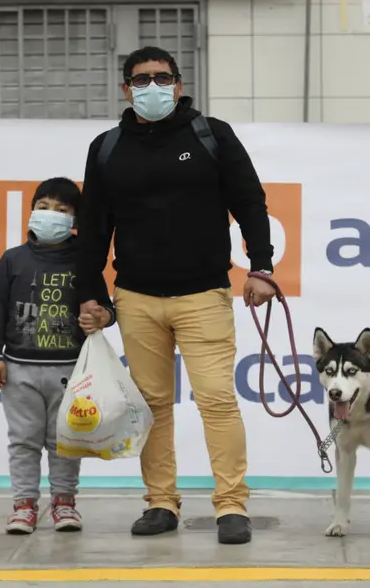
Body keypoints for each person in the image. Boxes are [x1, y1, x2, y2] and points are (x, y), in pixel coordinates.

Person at [75, 46, 277, 545]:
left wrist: (262, 266)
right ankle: (161, 502)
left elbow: (250, 201)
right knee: (151, 405)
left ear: (179, 85)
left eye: (160, 78)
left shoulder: (212, 136)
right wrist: (93, 294)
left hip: (204, 294)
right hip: (136, 298)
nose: (151, 87)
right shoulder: (106, 147)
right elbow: (94, 228)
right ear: (126, 89)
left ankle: (232, 506)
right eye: (140, 80)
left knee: (216, 401)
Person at [0, 178, 115, 535]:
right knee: (24, 439)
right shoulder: (13, 260)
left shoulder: (85, 262)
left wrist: (102, 316)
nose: (50, 215)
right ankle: (24, 505)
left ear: (75, 220)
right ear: (31, 212)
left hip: (70, 370)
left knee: (64, 442)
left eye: (61, 210)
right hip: (19, 369)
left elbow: (106, 307)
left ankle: (64, 503)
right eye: (43, 207)